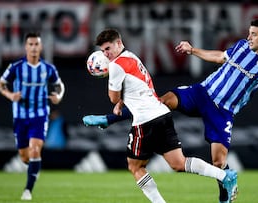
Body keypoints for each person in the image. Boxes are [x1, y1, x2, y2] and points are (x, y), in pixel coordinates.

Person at [83, 19, 258, 202]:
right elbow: (220, 56)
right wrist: (193, 50)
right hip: (202, 93)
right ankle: (109, 118)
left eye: (254, 34)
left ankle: (225, 193)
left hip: (223, 111)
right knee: (161, 101)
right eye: (249, 33)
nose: (249, 37)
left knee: (219, 162)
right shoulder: (241, 46)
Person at [90, 28, 237, 203]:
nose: (106, 54)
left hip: (144, 122)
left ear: (119, 43)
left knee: (135, 166)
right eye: (103, 51)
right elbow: (143, 87)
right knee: (179, 163)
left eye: (108, 49)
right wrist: (124, 100)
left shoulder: (115, 65)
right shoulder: (132, 57)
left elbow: (113, 97)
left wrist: (107, 77)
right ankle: (223, 175)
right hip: (162, 115)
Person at [0, 32, 65, 201]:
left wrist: (59, 96)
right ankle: (34, 168)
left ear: (41, 47)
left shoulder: (48, 68)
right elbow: (0, 85)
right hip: (20, 116)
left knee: (35, 149)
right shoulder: (16, 67)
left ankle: (28, 190)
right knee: (24, 156)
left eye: (37, 44)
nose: (34, 47)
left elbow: (59, 86)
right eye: (31, 44)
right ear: (26, 47)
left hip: (40, 114)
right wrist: (10, 95)